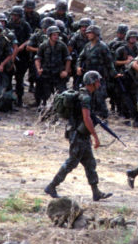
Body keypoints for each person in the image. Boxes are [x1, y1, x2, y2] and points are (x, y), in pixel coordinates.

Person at [44, 71, 113, 202]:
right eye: (97, 81)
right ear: (92, 83)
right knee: (71, 162)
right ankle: (51, 186)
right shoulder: (85, 97)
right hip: (77, 134)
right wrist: (96, 137)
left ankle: (96, 192)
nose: (99, 83)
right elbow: (87, 119)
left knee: (90, 163)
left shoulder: (84, 94)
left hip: (81, 134)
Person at [77, 25, 116, 118]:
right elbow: (80, 57)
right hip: (88, 76)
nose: (88, 35)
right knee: (89, 94)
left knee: (100, 96)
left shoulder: (102, 46)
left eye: (90, 33)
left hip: (100, 75)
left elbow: (109, 62)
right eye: (87, 33)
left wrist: (113, 74)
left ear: (96, 34)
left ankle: (104, 115)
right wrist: (78, 67)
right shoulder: (87, 46)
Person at [34, 26, 71, 107]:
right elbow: (38, 58)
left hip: (58, 74)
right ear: (49, 35)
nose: (56, 36)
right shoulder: (43, 45)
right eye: (54, 35)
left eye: (57, 34)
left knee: (61, 94)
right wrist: (38, 69)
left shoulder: (62, 45)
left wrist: (66, 71)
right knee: (46, 94)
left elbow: (68, 59)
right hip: (47, 73)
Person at [67, 18, 91, 89]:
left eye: (86, 27)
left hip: (91, 64)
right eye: (82, 27)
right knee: (77, 84)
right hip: (78, 63)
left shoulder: (94, 37)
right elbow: (69, 52)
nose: (84, 29)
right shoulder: (75, 37)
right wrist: (69, 67)